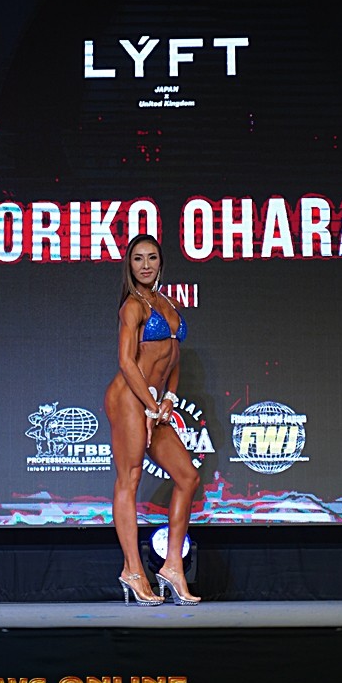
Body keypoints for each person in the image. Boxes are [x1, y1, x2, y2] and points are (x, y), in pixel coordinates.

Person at [104, 234, 201, 606]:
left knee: (188, 477)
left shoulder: (168, 303)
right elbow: (127, 363)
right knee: (129, 478)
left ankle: (173, 565)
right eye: (138, 259)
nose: (145, 265)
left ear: (161, 262)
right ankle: (132, 569)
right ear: (129, 266)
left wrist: (169, 400)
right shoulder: (132, 307)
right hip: (129, 396)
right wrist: (149, 405)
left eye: (152, 258)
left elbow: (173, 357)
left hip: (153, 402)